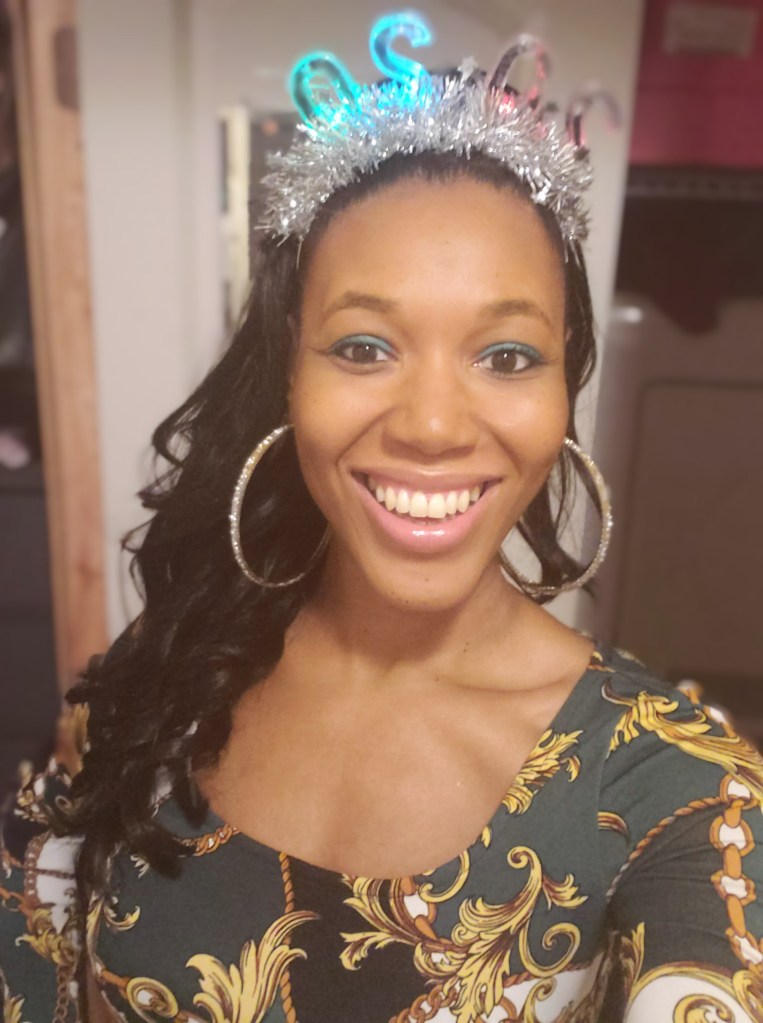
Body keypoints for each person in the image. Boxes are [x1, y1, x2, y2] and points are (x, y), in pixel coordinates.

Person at [2, 13, 763, 1023]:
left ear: (564, 390)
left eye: (505, 355)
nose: (432, 425)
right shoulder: (180, 657)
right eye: (364, 346)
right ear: (288, 374)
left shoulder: (677, 789)